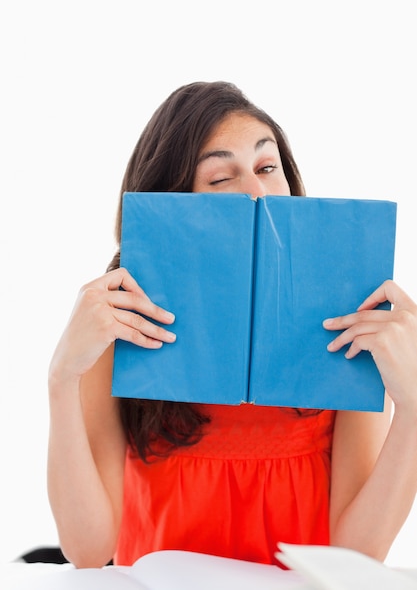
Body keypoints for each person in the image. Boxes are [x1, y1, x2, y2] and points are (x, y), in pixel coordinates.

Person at [47, 81, 417, 570]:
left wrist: (413, 404)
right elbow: (89, 551)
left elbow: (356, 558)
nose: (256, 191)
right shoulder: (121, 331)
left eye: (267, 168)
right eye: (221, 178)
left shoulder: (348, 325)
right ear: (172, 203)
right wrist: (61, 380)